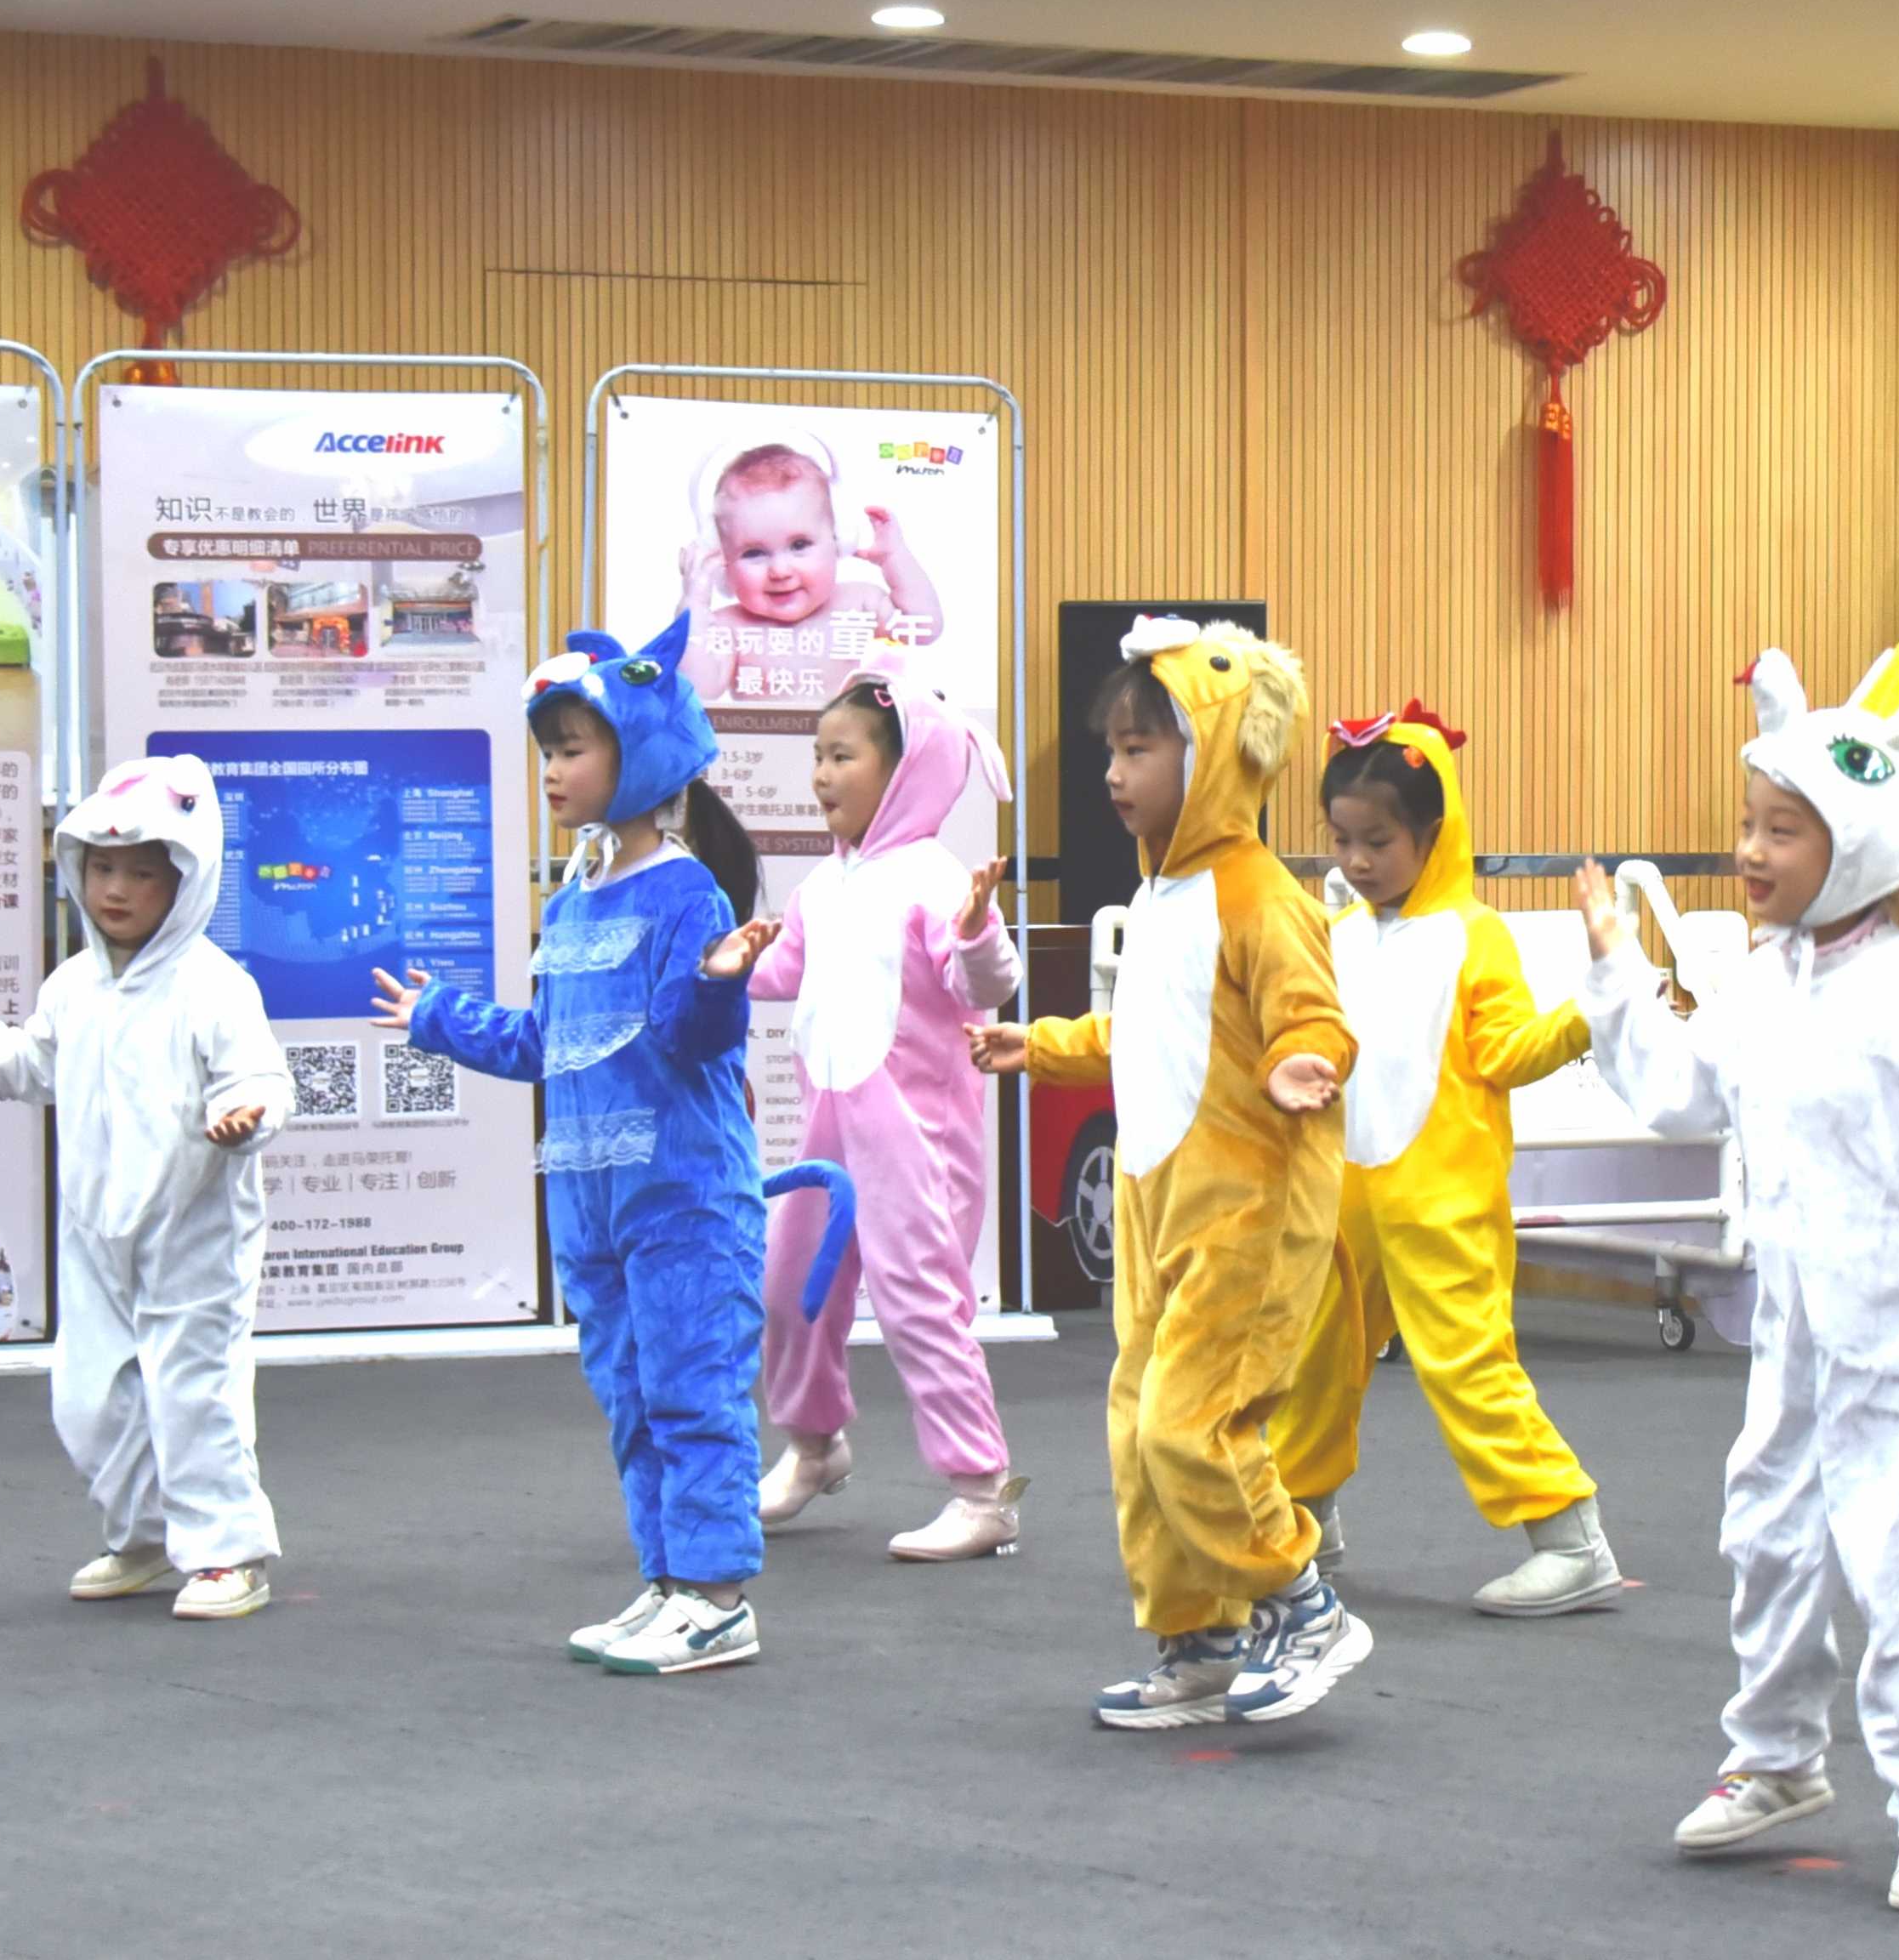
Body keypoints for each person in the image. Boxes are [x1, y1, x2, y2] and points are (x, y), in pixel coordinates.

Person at [1581, 631, 1899, 1917]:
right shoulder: (1760, 985)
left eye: (1783, 830)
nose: (1750, 852)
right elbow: (1675, 1091)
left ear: (1855, 846)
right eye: (1749, 824)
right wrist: (1616, 974)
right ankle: (1775, 1756)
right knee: (1767, 1533)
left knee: (1897, 1559)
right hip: (1796, 1324)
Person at [969, 617, 1365, 1730]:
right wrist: (1042, 1043)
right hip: (1161, 1208)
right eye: (1112, 748)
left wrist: (1303, 1059)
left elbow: (1312, 1015)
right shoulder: (1159, 899)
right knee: (1139, 1430)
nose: (1114, 771)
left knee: (1190, 1425)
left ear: (1217, 752)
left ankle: (1300, 1601)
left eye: (1140, 748)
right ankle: (1199, 1636)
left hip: (1248, 1212)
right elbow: (1147, 1029)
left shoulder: (1259, 893)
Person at [375, 611, 783, 1678]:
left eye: (572, 749)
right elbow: (548, 1044)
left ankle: (717, 1596)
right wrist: (439, 1017)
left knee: (694, 1390)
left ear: (637, 754)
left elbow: (690, 1041)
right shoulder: (571, 899)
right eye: (547, 751)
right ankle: (669, 1581)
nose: (552, 770)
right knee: (632, 1398)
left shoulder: (685, 890)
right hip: (591, 1201)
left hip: (684, 1196)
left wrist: (718, 984)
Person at [0, 753, 293, 1622]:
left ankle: (227, 1551)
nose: (115, 889)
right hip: (93, 1230)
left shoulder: (214, 986)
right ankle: (143, 1535)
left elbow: (259, 1078)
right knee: (91, 1398)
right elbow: (31, 1064)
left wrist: (245, 1114)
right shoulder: (74, 984)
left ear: (184, 879)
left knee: (193, 1392)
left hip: (194, 1229)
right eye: (102, 866)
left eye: (142, 872)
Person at [1267, 703, 1622, 1619]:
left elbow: (1508, 1049)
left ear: (1434, 833)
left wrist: (1596, 1006)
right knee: (1310, 1359)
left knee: (1467, 1362)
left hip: (1443, 1202)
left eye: (1378, 840)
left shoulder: (1474, 933)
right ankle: (1300, 1520)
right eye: (1341, 839)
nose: (1356, 860)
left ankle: (1570, 1538)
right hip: (1340, 1195)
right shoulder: (1336, 935)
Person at [748, 658, 1032, 1562]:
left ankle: (983, 1491)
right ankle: (812, 1444)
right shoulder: (821, 886)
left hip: (915, 1138)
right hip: (827, 1130)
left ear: (903, 768)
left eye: (843, 756)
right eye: (818, 756)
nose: (821, 776)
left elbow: (987, 983)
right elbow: (779, 971)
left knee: (920, 1303)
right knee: (791, 1286)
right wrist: (722, 964)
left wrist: (979, 928)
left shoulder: (935, 878)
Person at [680, 436, 947, 707]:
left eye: (799, 545)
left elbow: (925, 628)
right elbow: (698, 690)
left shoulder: (860, 603)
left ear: (839, 538)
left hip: (851, 734)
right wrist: (694, 605)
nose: (780, 571)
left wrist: (894, 558)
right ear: (721, 558)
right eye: (754, 553)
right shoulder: (728, 627)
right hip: (767, 735)